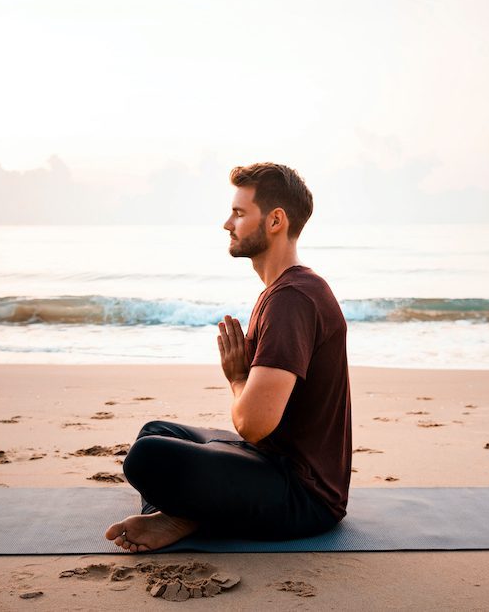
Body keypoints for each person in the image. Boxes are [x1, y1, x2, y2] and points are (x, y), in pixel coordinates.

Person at [104, 162, 352, 552]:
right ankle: (181, 515)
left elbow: (253, 425)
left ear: (275, 221)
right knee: (156, 433)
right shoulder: (285, 290)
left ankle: (184, 516)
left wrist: (237, 378)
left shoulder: (292, 299)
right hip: (270, 461)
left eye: (239, 213)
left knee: (148, 458)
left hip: (304, 495)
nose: (227, 224)